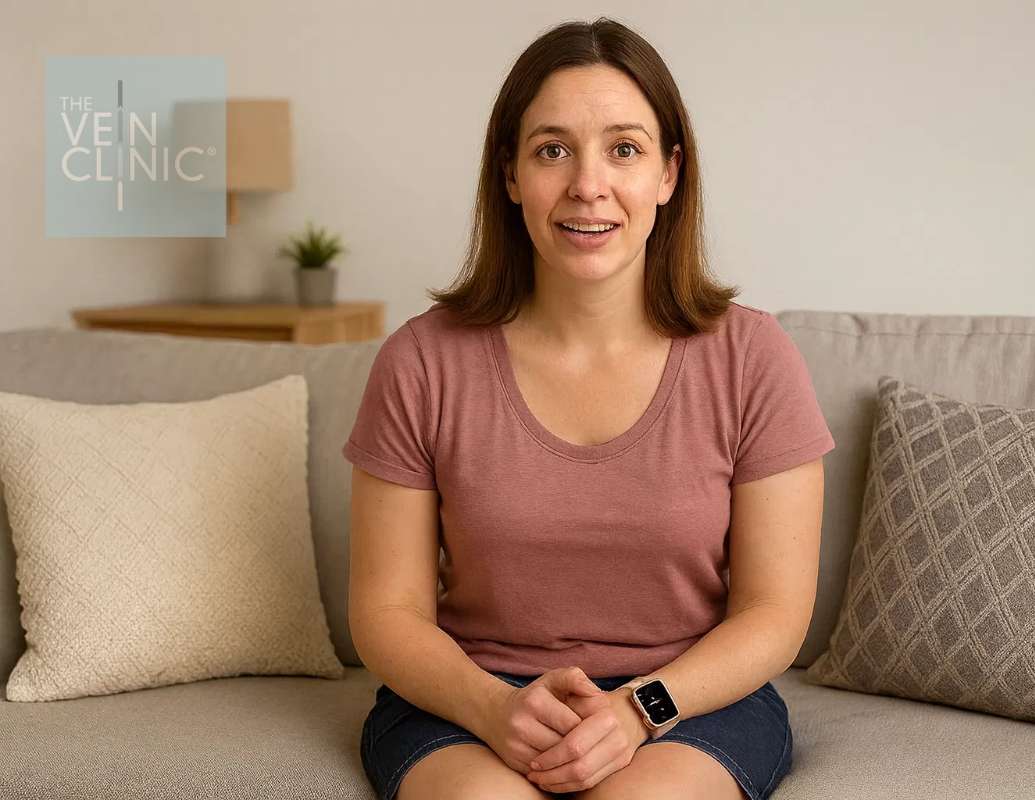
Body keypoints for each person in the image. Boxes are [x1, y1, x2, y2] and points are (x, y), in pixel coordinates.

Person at [343, 16, 835, 800]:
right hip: (467, 697)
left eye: (625, 148)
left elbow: (775, 611)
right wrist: (495, 706)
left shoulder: (754, 359)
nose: (587, 184)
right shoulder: (421, 362)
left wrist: (643, 709)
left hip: (689, 699)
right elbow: (386, 609)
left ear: (669, 174)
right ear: (510, 174)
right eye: (552, 149)